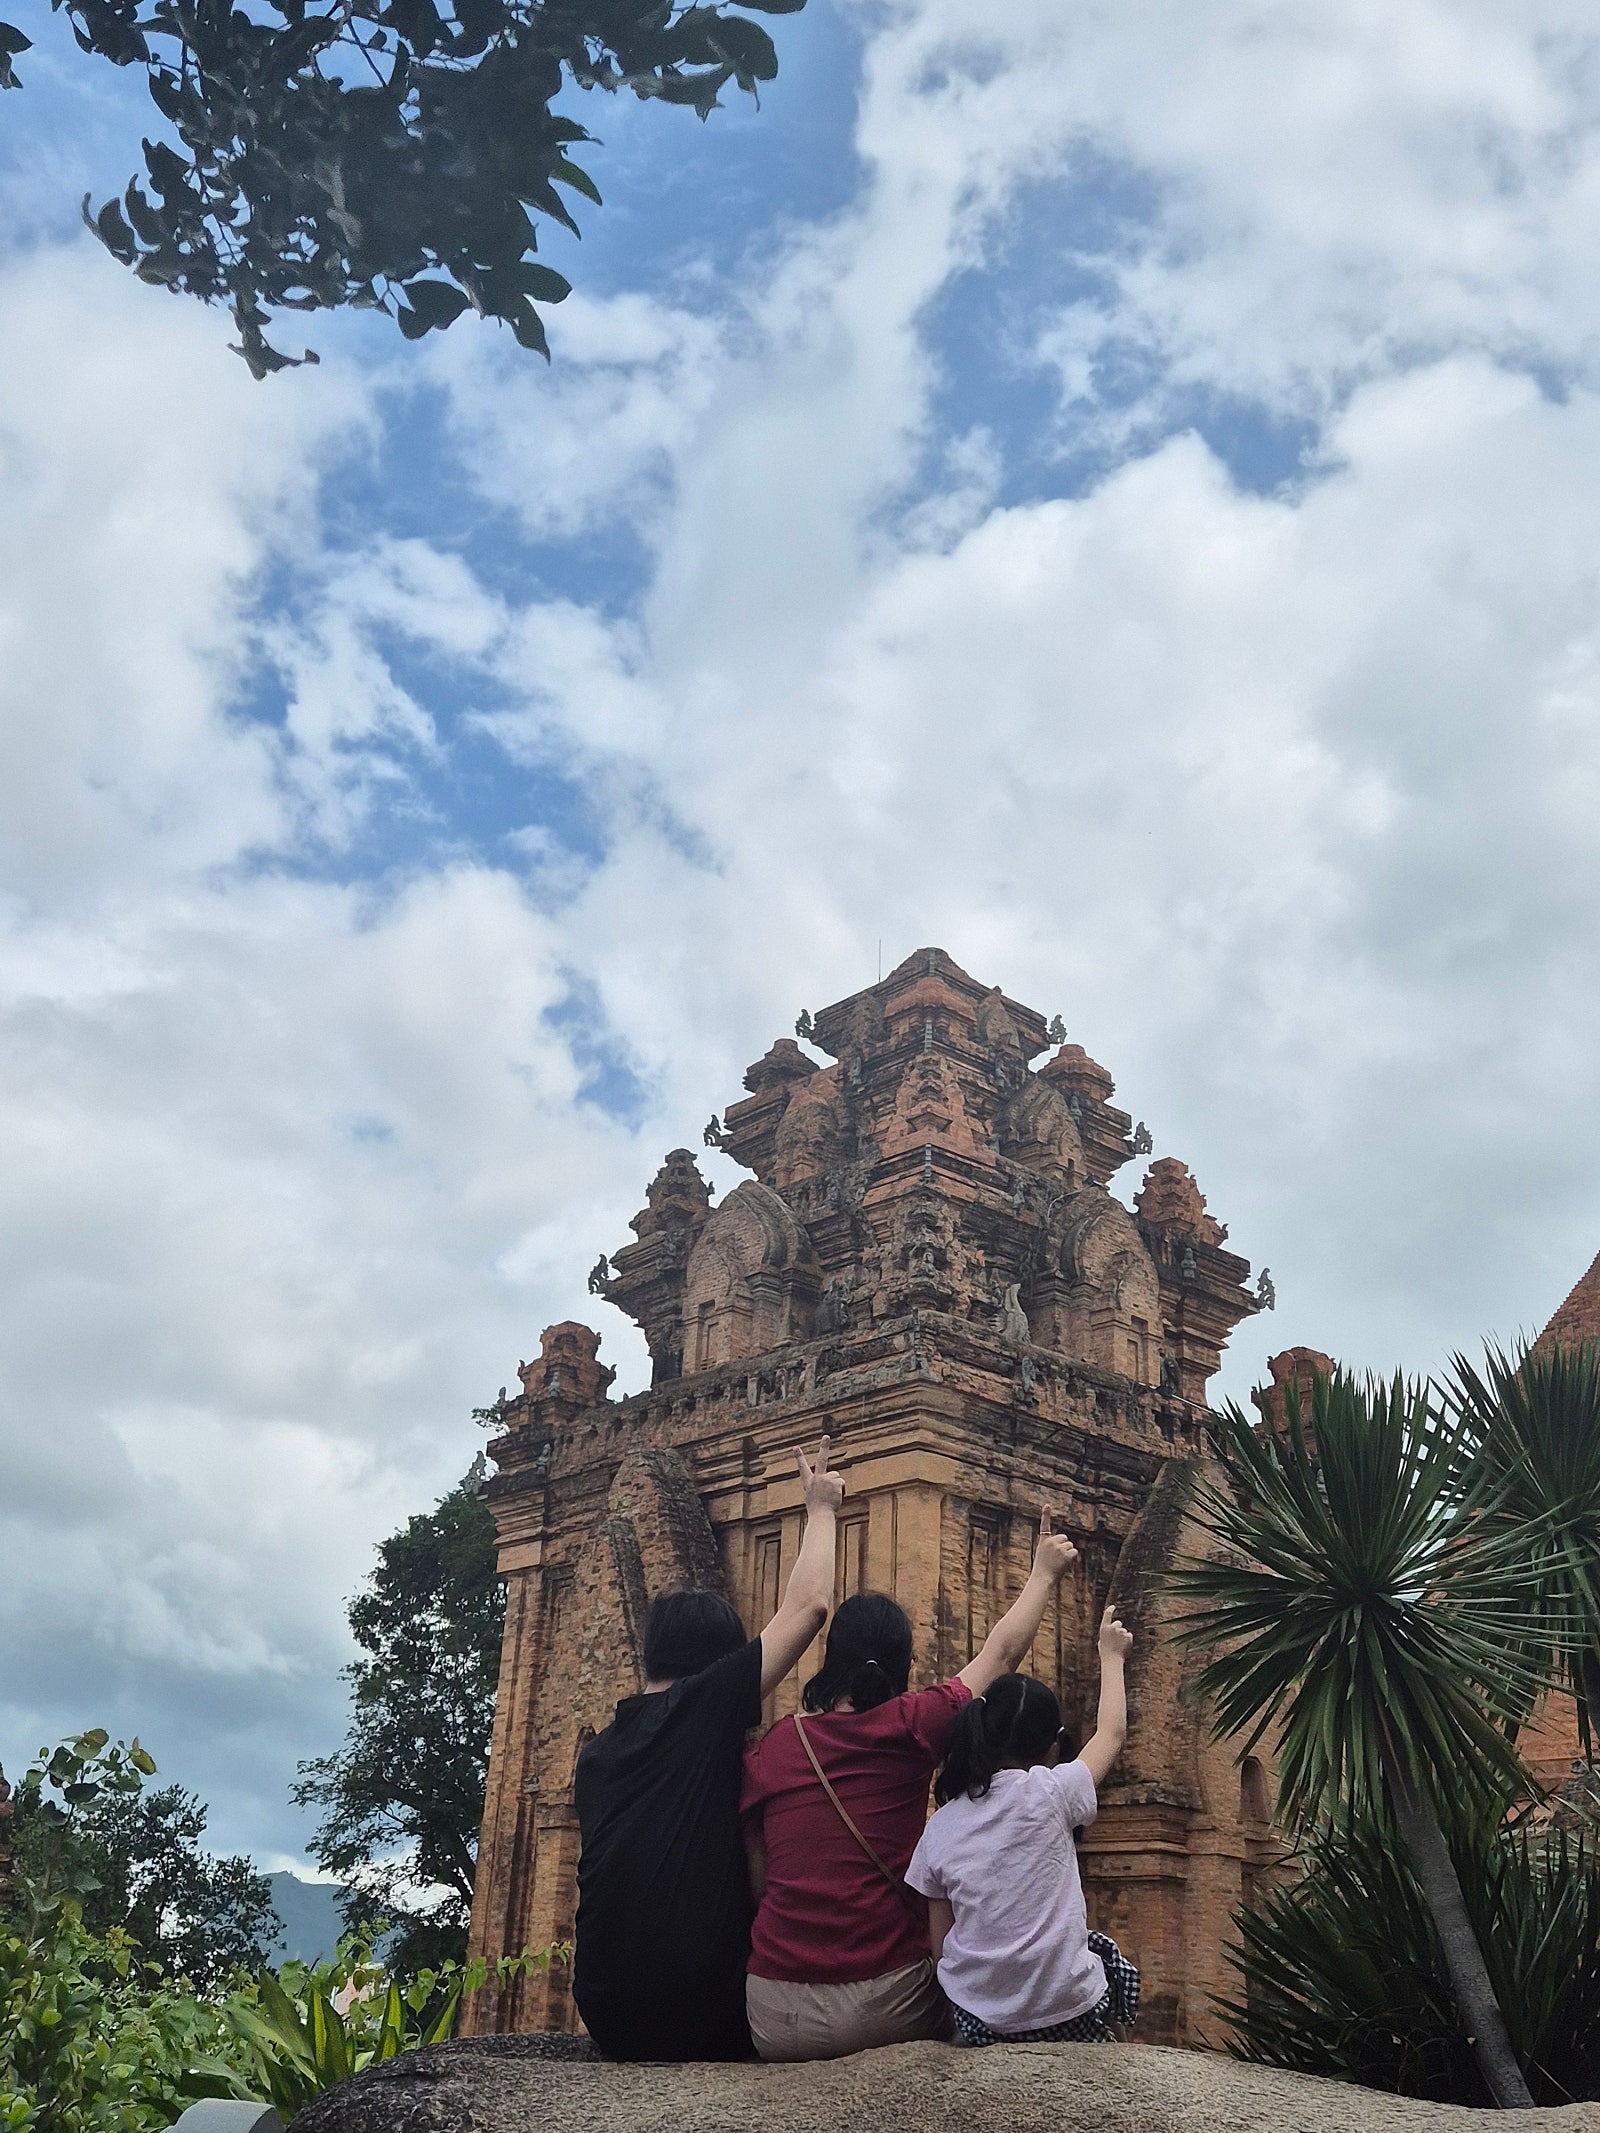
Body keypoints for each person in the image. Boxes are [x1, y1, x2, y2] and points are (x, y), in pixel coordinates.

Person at [739, 1510, 1080, 2062]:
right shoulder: (913, 1725)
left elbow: (759, 1887)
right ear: (903, 1663)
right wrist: (1042, 1572)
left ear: (831, 1659)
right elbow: (1001, 1657)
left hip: (775, 2011)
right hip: (886, 2001)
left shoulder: (775, 1746)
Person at [572, 1437, 845, 2062]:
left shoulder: (598, 1755)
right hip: (702, 2007)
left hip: (606, 2010)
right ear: (718, 1667)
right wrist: (822, 1506)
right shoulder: (701, 1711)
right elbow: (809, 1609)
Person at [905, 1606, 1139, 2046]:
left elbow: (939, 1948)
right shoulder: (1055, 1790)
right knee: (1103, 1953)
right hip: (1068, 2011)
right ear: (1053, 1747)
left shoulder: (940, 1826)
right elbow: (1110, 1734)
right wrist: (1112, 1656)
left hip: (979, 2022)